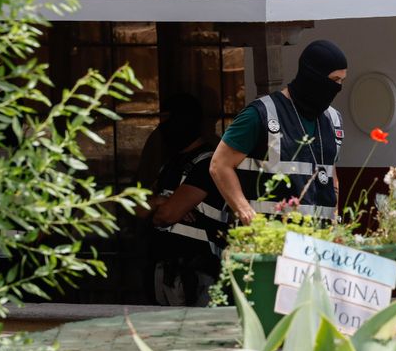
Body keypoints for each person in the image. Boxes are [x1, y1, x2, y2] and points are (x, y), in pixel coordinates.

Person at [209, 40, 347, 224]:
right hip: (271, 238)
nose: (338, 88)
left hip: (318, 241)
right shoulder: (260, 114)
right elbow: (219, 165)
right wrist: (246, 213)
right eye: (334, 80)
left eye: (342, 81)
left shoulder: (332, 119)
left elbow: (330, 174)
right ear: (313, 76)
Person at [142, 93, 228, 306]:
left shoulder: (207, 163)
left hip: (199, 271)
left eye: (168, 120)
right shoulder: (170, 164)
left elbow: (166, 215)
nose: (163, 127)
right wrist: (158, 202)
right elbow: (136, 207)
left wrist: (162, 205)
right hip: (165, 269)